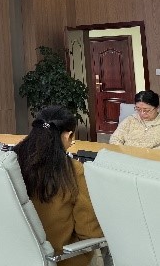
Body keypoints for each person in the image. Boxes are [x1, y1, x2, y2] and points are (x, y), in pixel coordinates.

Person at [13, 106, 102, 266]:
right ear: (68, 135)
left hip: (16, 255)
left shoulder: (11, 161)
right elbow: (89, 232)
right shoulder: (72, 170)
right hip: (60, 258)